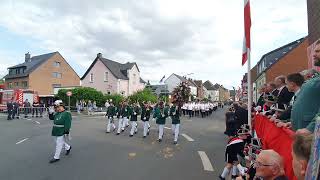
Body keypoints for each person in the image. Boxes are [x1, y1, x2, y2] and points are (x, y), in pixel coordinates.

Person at [291, 40, 320, 134]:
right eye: (314, 51)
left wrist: (310, 129)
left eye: (318, 51)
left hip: (312, 136)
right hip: (303, 133)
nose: (313, 55)